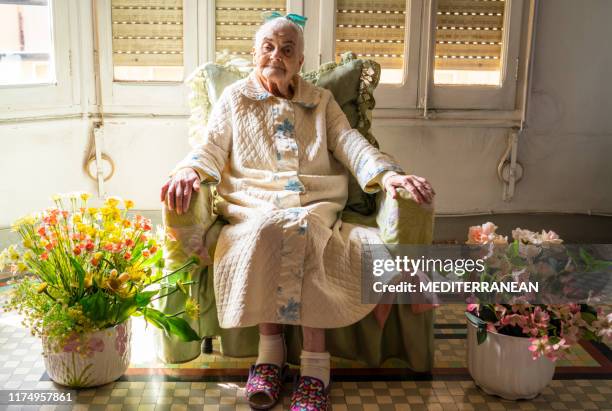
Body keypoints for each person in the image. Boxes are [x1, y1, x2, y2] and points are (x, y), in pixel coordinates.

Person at [161, 13, 435, 411]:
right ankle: (270, 356)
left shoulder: (321, 101)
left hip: (314, 205)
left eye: (287, 49)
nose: (277, 54)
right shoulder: (235, 98)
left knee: (302, 225)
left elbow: (350, 144)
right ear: (255, 54)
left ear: (300, 61)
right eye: (268, 47)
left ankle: (314, 366)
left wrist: (389, 175)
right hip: (253, 205)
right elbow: (212, 147)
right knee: (272, 226)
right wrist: (188, 169)